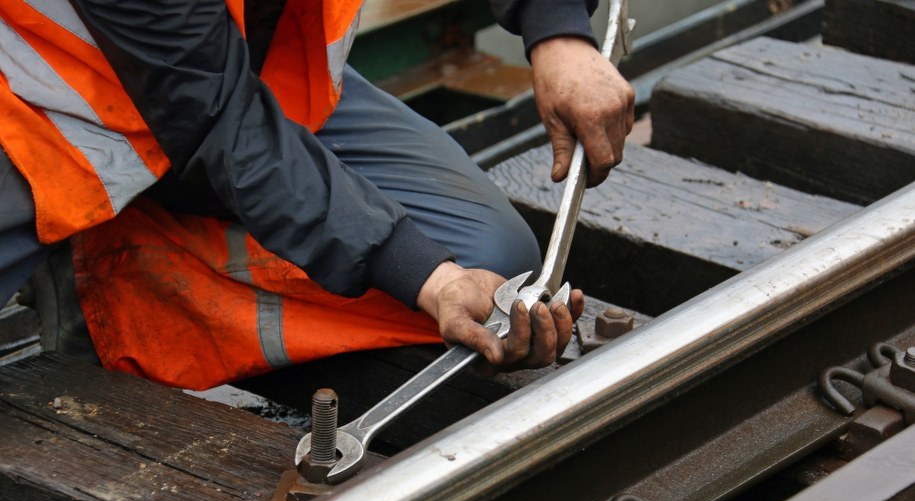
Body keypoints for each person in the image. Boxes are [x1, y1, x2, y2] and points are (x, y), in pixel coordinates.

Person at [0, 0, 634, 390]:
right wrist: (430, 280)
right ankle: (89, 268)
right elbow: (221, 121)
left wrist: (558, 34)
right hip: (42, 114)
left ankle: (123, 269)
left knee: (487, 258)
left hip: (248, 75)